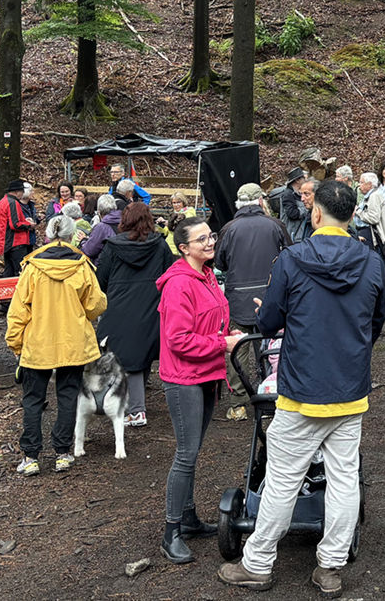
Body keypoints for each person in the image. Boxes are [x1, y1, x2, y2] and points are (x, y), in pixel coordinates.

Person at [218, 180, 385, 597]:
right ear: (351, 217)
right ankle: (330, 566)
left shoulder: (293, 258)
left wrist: (274, 313)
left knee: (281, 479)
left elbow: (270, 322)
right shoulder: (371, 261)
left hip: (301, 389)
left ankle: (257, 564)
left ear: (315, 214)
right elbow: (375, 323)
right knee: (344, 478)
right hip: (349, 387)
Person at [156, 218, 243, 563]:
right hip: (183, 378)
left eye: (212, 235)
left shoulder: (206, 276)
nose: (210, 242)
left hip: (206, 373)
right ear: (184, 248)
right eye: (202, 239)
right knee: (186, 453)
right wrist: (223, 343)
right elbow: (178, 339)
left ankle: (189, 518)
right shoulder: (179, 284)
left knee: (192, 450)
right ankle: (171, 532)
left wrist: (225, 334)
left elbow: (210, 319)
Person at [6, 215, 108, 476]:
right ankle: (62, 453)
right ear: (73, 235)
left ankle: (30, 456)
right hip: (72, 343)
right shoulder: (82, 266)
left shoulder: (31, 267)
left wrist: (16, 343)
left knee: (33, 399)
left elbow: (19, 310)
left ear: (48, 235)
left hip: (38, 344)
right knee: (67, 396)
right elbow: (95, 304)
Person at [96, 202, 175, 428]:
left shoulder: (112, 247)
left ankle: (136, 410)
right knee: (142, 351)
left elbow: (101, 278)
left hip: (120, 307)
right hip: (151, 305)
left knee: (126, 357)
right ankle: (134, 404)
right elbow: (170, 275)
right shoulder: (160, 246)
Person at [216, 183, 290, 421]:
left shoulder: (229, 229)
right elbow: (290, 255)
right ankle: (272, 394)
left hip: (238, 297)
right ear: (260, 201)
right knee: (273, 345)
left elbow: (220, 263)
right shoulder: (275, 225)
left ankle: (238, 403)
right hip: (271, 296)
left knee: (238, 347)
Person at [0, 180, 37, 277]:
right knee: (21, 272)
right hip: (16, 243)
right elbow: (15, 224)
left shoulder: (1, 202)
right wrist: (29, 225)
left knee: (9, 271)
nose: (22, 194)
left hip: (6, 242)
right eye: (22, 192)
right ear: (17, 192)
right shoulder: (13, 203)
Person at [353, 172, 385, 252]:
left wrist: (358, 211)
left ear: (369, 184)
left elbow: (374, 218)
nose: (359, 185)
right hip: (364, 232)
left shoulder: (374, 196)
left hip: (370, 234)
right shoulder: (368, 196)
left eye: (362, 182)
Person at [81, 194, 121, 261]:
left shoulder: (101, 227)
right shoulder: (124, 221)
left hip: (104, 267)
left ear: (99, 210)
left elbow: (89, 251)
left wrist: (83, 241)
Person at [280, 167, 309, 243]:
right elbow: (292, 214)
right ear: (297, 180)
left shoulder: (298, 193)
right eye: (303, 178)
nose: (305, 180)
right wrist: (307, 209)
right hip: (291, 237)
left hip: (298, 236)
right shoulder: (288, 194)